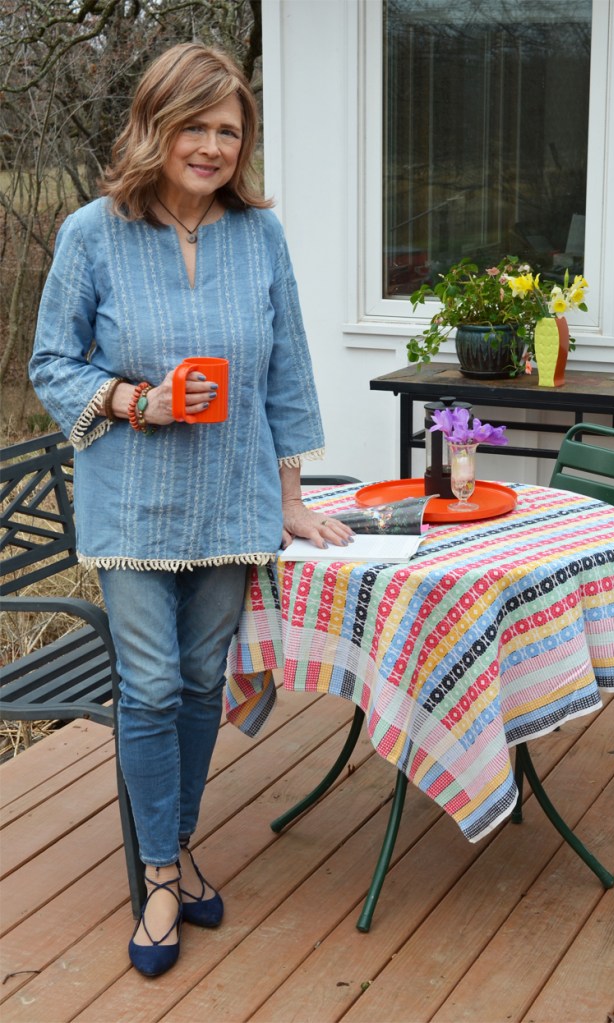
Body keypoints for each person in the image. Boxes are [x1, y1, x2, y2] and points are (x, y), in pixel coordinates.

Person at [29, 42, 352, 978]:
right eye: (195, 126)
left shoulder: (260, 236)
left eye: (229, 130)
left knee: (204, 681)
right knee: (152, 686)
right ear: (156, 126)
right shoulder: (93, 233)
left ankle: (170, 845)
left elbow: (287, 368)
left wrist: (290, 499)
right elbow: (52, 363)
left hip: (232, 502)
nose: (212, 146)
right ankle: (163, 876)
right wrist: (140, 401)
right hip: (133, 507)